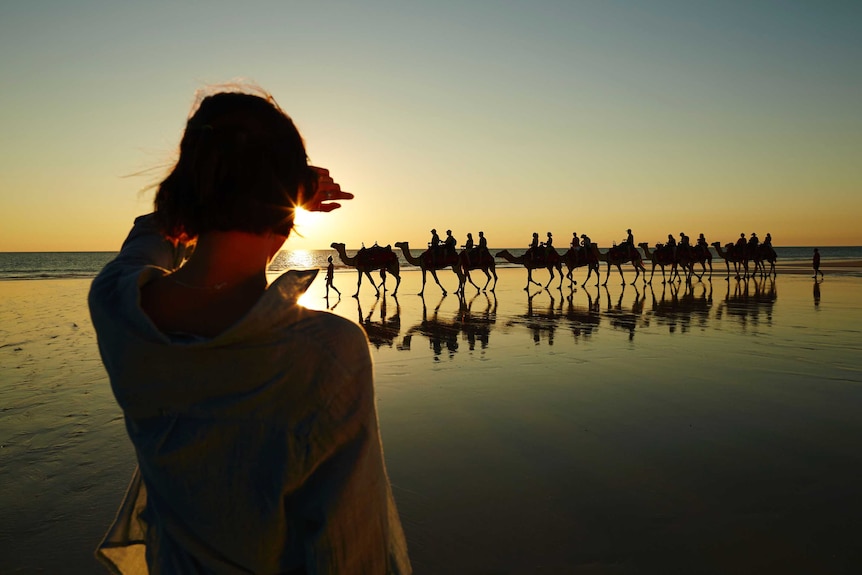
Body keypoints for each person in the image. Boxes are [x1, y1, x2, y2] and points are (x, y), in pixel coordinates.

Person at [88, 88, 411, 574]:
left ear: (187, 193)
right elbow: (348, 554)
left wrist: (208, 191)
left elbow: (146, 240)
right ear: (287, 208)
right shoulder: (327, 351)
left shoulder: (117, 304)